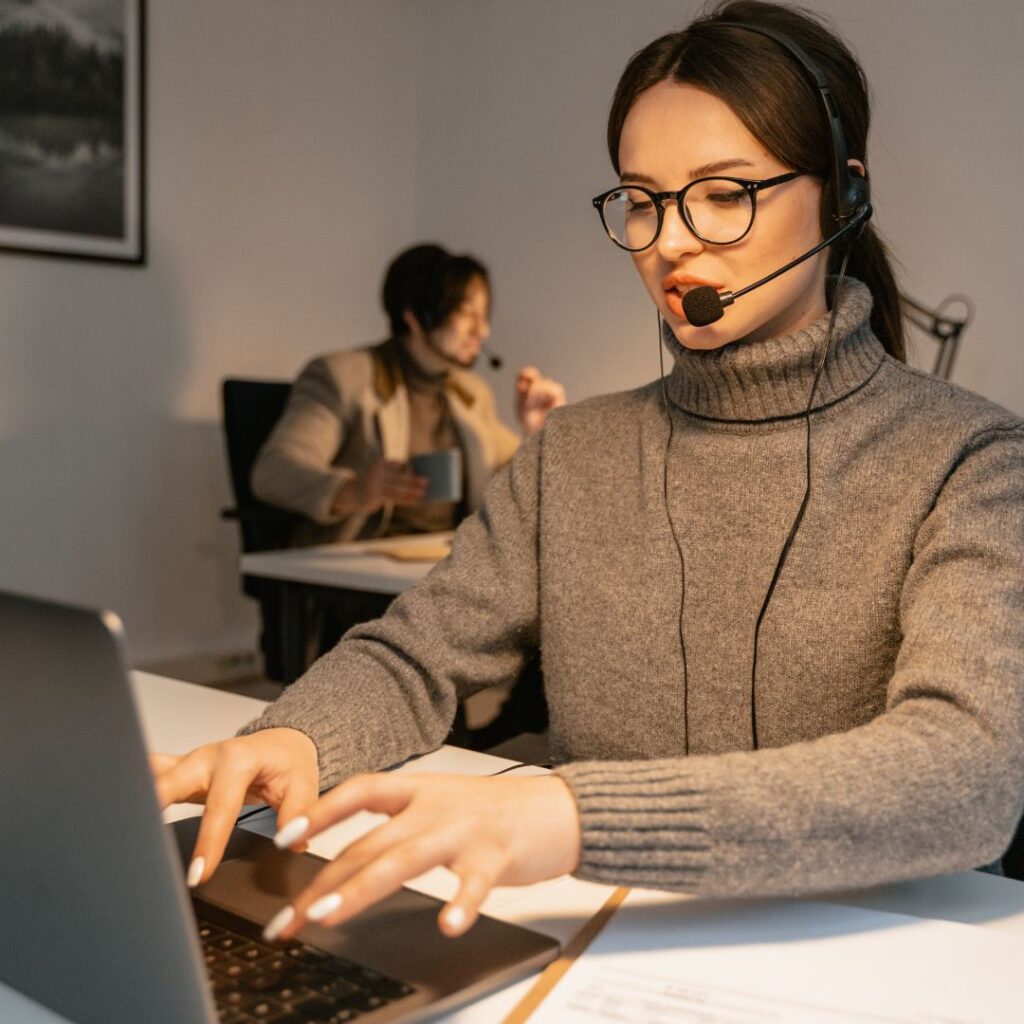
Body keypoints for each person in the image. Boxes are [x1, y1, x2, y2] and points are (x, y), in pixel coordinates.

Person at [155, 0, 1024, 946]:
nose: (670, 242)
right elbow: (415, 656)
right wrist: (299, 735)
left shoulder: (970, 460)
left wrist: (570, 819)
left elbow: (968, 773)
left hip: (865, 950)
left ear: (843, 196)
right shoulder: (573, 453)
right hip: (601, 937)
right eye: (643, 199)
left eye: (724, 193)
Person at [251, 243, 566, 546]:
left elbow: (509, 487)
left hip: (443, 567)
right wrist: (356, 490)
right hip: (357, 575)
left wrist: (534, 431)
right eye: (467, 314)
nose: (482, 332)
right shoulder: (345, 379)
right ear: (415, 317)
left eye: (483, 317)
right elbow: (275, 471)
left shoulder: (470, 394)